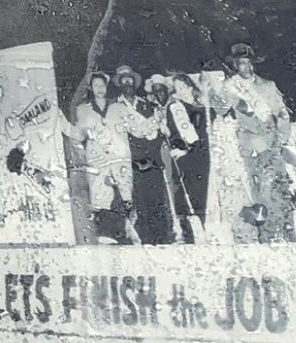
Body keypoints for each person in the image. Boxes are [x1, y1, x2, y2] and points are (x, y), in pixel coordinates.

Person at [220, 43, 294, 242]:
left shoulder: (268, 85)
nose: (247, 67)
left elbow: (282, 114)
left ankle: (288, 234)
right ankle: (268, 237)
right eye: (242, 63)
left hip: (273, 144)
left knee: (281, 188)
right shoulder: (230, 87)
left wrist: (281, 140)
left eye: (249, 62)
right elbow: (222, 110)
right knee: (261, 192)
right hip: (252, 146)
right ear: (235, 65)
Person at [73, 72, 150, 244]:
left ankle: (126, 232)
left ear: (106, 87)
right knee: (101, 199)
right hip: (98, 162)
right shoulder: (84, 111)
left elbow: (138, 129)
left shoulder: (119, 107)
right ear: (91, 88)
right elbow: (77, 136)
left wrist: (154, 122)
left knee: (125, 197)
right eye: (96, 86)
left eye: (102, 85)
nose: (99, 89)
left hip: (120, 160)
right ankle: (106, 235)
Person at [115, 65, 172, 245]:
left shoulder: (147, 105)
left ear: (134, 83)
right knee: (140, 204)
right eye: (123, 80)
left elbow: (157, 133)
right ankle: (146, 241)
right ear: (119, 84)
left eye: (129, 79)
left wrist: (150, 156)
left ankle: (162, 240)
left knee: (158, 201)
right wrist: (137, 157)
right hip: (133, 162)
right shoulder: (114, 107)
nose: (127, 83)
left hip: (152, 161)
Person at [153, 73, 210, 243]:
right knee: (186, 196)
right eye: (178, 88)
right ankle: (190, 235)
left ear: (191, 86)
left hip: (204, 156)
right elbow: (174, 136)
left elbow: (210, 129)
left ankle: (207, 231)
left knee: (204, 194)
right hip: (185, 158)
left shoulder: (203, 105)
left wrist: (207, 91)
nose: (182, 90)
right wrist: (166, 132)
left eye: (184, 86)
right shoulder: (175, 108)